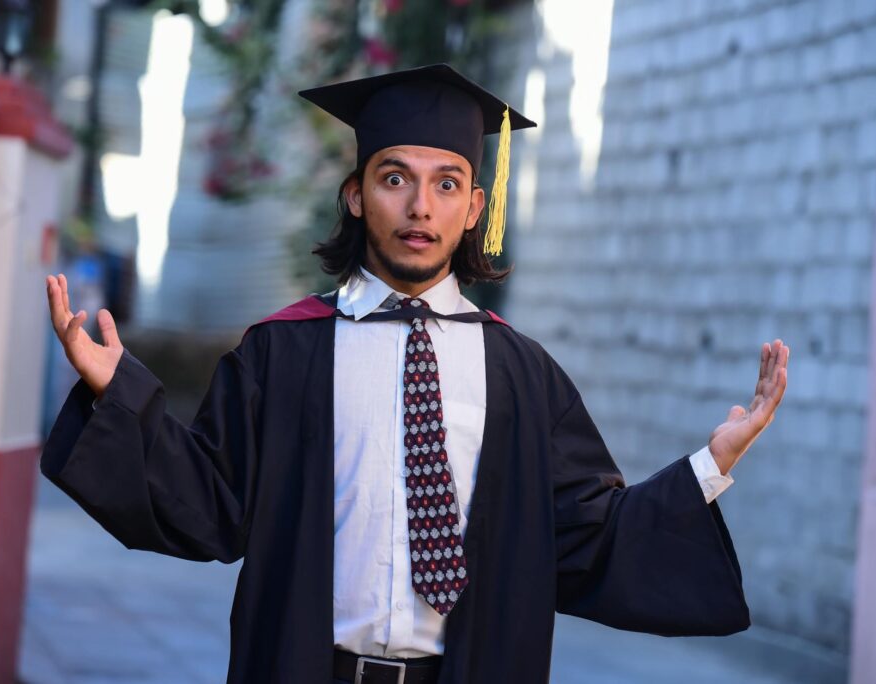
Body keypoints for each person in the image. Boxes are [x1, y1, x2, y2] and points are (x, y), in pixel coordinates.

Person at [42, 64, 790, 684]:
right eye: (395, 178)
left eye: (446, 183)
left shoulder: (523, 376)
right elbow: (207, 502)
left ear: (475, 208)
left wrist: (712, 462)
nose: (419, 206)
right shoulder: (285, 352)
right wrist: (120, 392)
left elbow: (588, 537)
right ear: (357, 195)